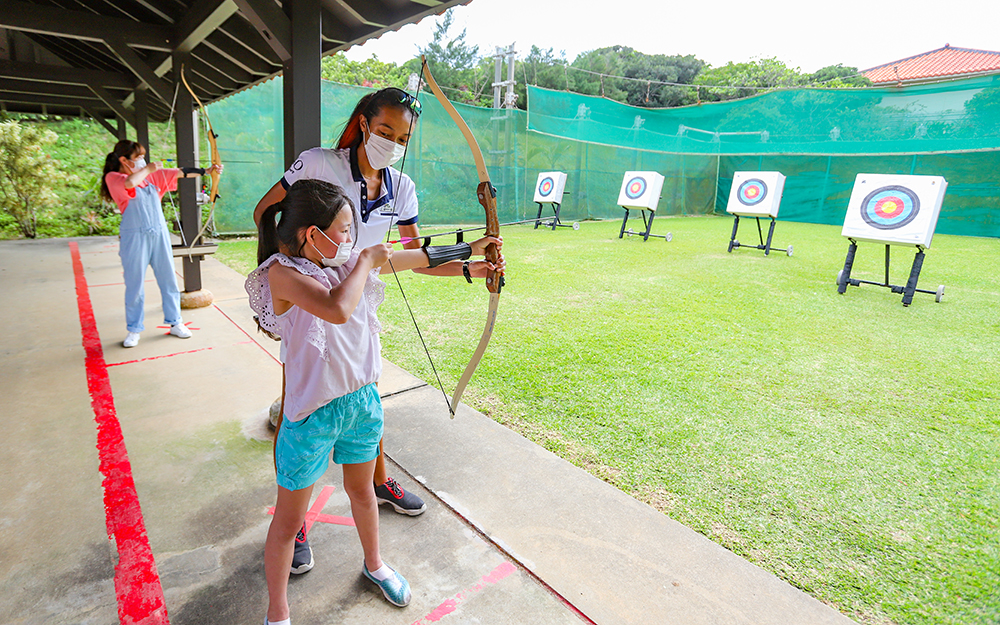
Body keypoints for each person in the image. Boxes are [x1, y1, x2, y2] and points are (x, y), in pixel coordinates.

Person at [253, 87, 505, 570]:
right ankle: (296, 518)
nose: (392, 142)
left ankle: (376, 480)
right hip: (310, 310)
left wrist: (473, 262)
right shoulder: (317, 164)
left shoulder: (401, 189)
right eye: (384, 131)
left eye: (402, 137)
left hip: (358, 310)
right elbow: (266, 212)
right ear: (364, 124)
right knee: (298, 412)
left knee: (363, 402)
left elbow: (407, 258)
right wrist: (276, 291)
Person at [100, 140, 222, 347]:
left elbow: (181, 172)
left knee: (169, 280)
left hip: (159, 234)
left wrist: (207, 170)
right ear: (123, 160)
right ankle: (134, 329)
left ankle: (175, 322)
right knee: (134, 284)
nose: (142, 160)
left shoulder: (152, 177)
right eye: (137, 157)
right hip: (134, 237)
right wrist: (148, 168)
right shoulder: (115, 178)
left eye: (142, 157)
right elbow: (130, 183)